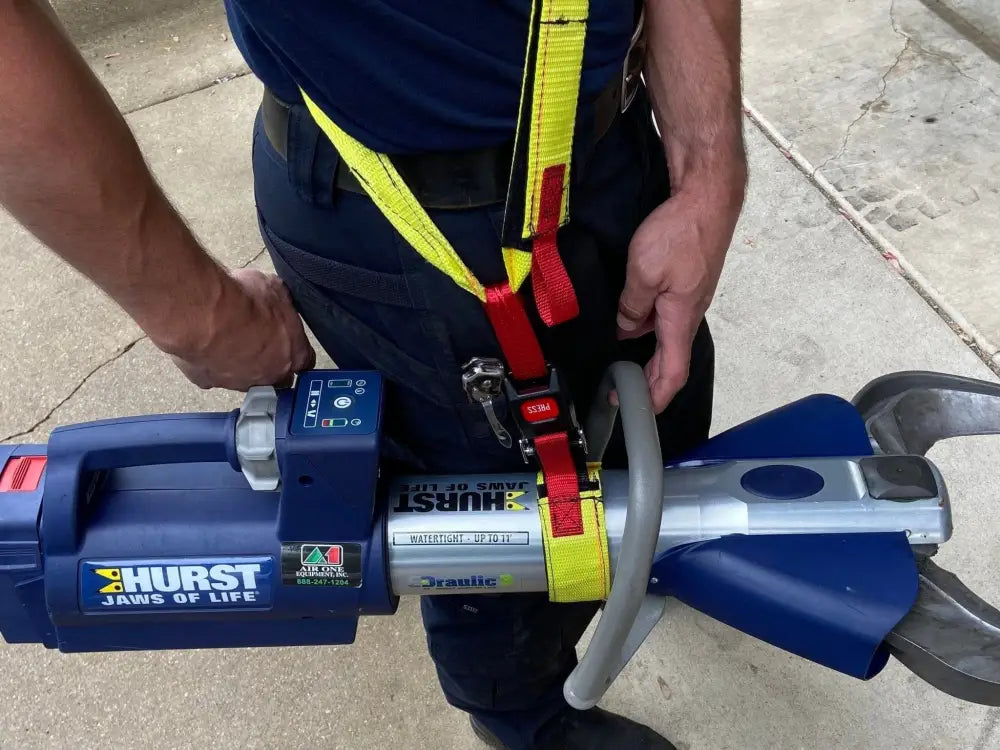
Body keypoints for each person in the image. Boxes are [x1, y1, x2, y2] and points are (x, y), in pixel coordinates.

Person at [0, 1, 746, 747]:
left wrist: (708, 166)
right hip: (411, 211)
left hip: (614, 136)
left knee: (661, 409)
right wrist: (194, 314)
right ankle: (526, 714)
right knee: (488, 522)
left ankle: (648, 550)